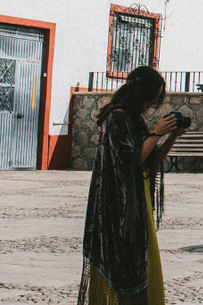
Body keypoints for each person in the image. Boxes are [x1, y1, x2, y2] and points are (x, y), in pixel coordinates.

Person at [78, 66, 185, 305]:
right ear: (142, 94)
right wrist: (156, 133)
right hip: (117, 205)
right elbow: (130, 159)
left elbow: (152, 158)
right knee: (124, 262)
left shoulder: (132, 118)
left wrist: (171, 136)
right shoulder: (116, 117)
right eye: (151, 99)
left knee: (141, 260)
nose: (151, 105)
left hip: (136, 201)